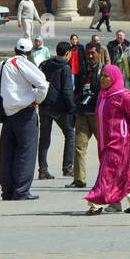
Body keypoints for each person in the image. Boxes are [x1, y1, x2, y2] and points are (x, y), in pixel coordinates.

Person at [83, 63, 130, 216]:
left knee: (107, 171)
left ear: (114, 78)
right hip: (104, 141)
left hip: (119, 142)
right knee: (123, 173)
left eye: (105, 76)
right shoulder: (103, 95)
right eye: (101, 75)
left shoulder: (124, 96)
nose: (102, 79)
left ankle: (96, 203)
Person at [0, 37, 49, 201]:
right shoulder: (22, 63)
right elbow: (42, 84)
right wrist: (35, 98)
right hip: (25, 113)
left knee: (7, 154)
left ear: (14, 49)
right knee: (26, 151)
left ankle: (7, 190)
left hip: (6, 114)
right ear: (30, 52)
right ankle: (21, 191)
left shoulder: (2, 64)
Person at [37, 41, 75, 181]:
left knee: (44, 137)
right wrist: (71, 107)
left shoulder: (45, 64)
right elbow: (66, 90)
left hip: (44, 104)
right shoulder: (65, 67)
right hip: (59, 107)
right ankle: (67, 167)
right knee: (70, 134)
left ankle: (43, 170)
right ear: (67, 53)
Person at [70, 43, 104, 188]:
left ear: (99, 53)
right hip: (82, 115)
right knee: (79, 147)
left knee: (104, 147)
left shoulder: (105, 72)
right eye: (88, 53)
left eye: (92, 53)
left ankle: (107, 177)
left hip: (98, 116)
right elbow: (76, 91)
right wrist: (78, 101)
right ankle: (79, 179)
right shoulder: (82, 71)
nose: (90, 56)